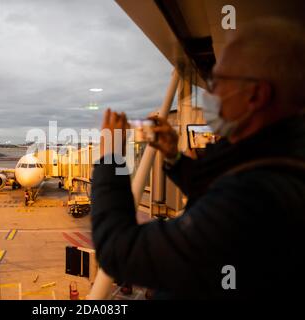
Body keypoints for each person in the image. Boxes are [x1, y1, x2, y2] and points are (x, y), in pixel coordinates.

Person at [91, 18, 305, 299]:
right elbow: (215, 186)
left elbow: (118, 251)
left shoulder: (254, 200)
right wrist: (174, 156)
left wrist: (110, 157)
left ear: (256, 94)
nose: (211, 93)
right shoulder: (274, 161)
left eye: (219, 81)